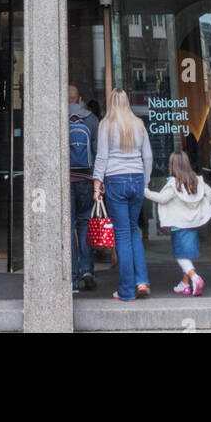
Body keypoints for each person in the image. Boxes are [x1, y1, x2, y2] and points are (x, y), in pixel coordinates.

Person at [93, 87, 153, 301]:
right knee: (133, 230)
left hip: (116, 180)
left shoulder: (106, 125)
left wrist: (97, 184)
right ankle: (142, 281)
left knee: (122, 234)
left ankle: (126, 291)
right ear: (127, 102)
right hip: (136, 178)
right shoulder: (138, 124)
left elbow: (102, 156)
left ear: (111, 103)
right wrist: (145, 181)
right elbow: (148, 156)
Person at [144, 151, 211, 297]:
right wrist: (202, 208)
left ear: (172, 165)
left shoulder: (174, 184)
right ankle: (185, 284)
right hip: (192, 224)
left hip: (179, 226)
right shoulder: (196, 180)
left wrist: (145, 192)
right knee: (186, 254)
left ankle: (195, 277)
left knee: (181, 256)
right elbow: (210, 192)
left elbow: (162, 199)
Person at [68, 83, 99, 294]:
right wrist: (98, 179)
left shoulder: (56, 117)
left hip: (66, 180)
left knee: (69, 228)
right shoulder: (91, 119)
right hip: (87, 179)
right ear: (79, 99)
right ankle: (88, 270)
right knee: (85, 223)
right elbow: (97, 151)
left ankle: (72, 279)